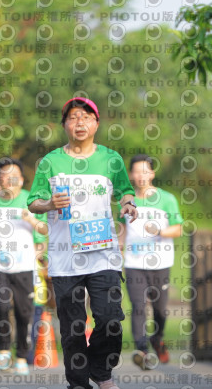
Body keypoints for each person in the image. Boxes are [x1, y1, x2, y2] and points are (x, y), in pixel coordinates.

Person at [28, 97, 138, 389]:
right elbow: (33, 202)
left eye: (86, 117)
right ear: (64, 124)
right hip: (65, 258)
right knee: (73, 328)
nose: (80, 122)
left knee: (110, 318)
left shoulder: (111, 159)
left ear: (96, 124)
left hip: (104, 255)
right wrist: (49, 204)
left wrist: (129, 204)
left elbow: (125, 191)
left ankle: (101, 371)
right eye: (73, 117)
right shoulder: (50, 162)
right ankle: (78, 383)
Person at [0, 158, 48, 375]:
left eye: (13, 177)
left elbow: (44, 231)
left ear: (22, 180)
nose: (8, 180)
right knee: (1, 304)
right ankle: (4, 351)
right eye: (4, 176)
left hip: (24, 265)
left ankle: (21, 357)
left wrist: (31, 221)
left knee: (24, 312)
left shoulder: (31, 201)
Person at [119, 154, 183, 370]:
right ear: (131, 175)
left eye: (145, 171)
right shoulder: (126, 201)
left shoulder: (167, 199)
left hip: (160, 262)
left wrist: (159, 231)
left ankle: (157, 338)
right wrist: (118, 251)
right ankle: (142, 351)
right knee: (138, 306)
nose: (141, 176)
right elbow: (122, 229)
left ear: (152, 173)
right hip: (134, 262)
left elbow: (178, 229)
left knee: (160, 310)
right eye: (137, 171)